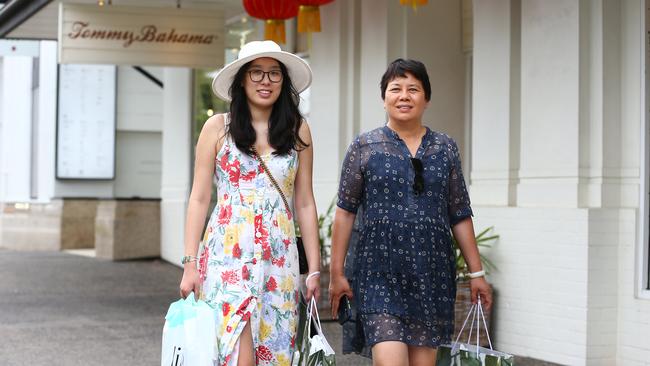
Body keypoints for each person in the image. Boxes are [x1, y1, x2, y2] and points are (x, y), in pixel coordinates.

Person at [328, 58, 492, 366]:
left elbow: (459, 212)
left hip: (430, 274)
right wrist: (336, 273)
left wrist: (477, 273)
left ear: (426, 99)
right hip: (378, 272)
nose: (404, 96)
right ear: (384, 97)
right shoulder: (364, 146)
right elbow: (345, 212)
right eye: (396, 89)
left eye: (413, 89)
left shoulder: (445, 147)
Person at [178, 40, 321, 366]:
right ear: (241, 79)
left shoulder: (299, 131)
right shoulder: (217, 128)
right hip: (227, 257)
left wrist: (314, 268)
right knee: (235, 352)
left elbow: (305, 203)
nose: (265, 81)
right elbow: (200, 198)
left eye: (273, 73)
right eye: (256, 72)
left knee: (274, 351)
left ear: (283, 81)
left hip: (279, 259)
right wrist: (190, 262)